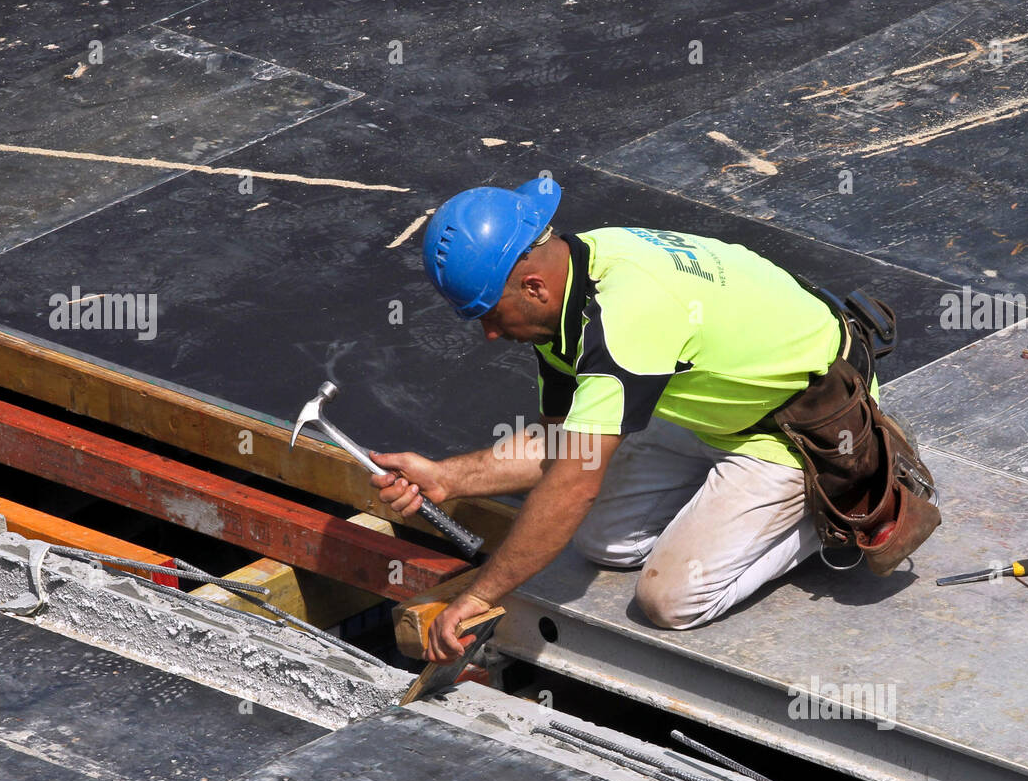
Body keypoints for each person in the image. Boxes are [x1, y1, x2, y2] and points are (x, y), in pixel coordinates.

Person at [370, 176, 876, 662]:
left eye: (490, 315)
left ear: (532, 287)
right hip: (711, 405)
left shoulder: (622, 318)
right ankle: (724, 496)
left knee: (671, 600)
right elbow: (561, 441)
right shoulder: (568, 283)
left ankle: (836, 502)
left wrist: (480, 596)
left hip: (801, 422)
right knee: (602, 543)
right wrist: (446, 478)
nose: (490, 335)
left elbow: (573, 485)